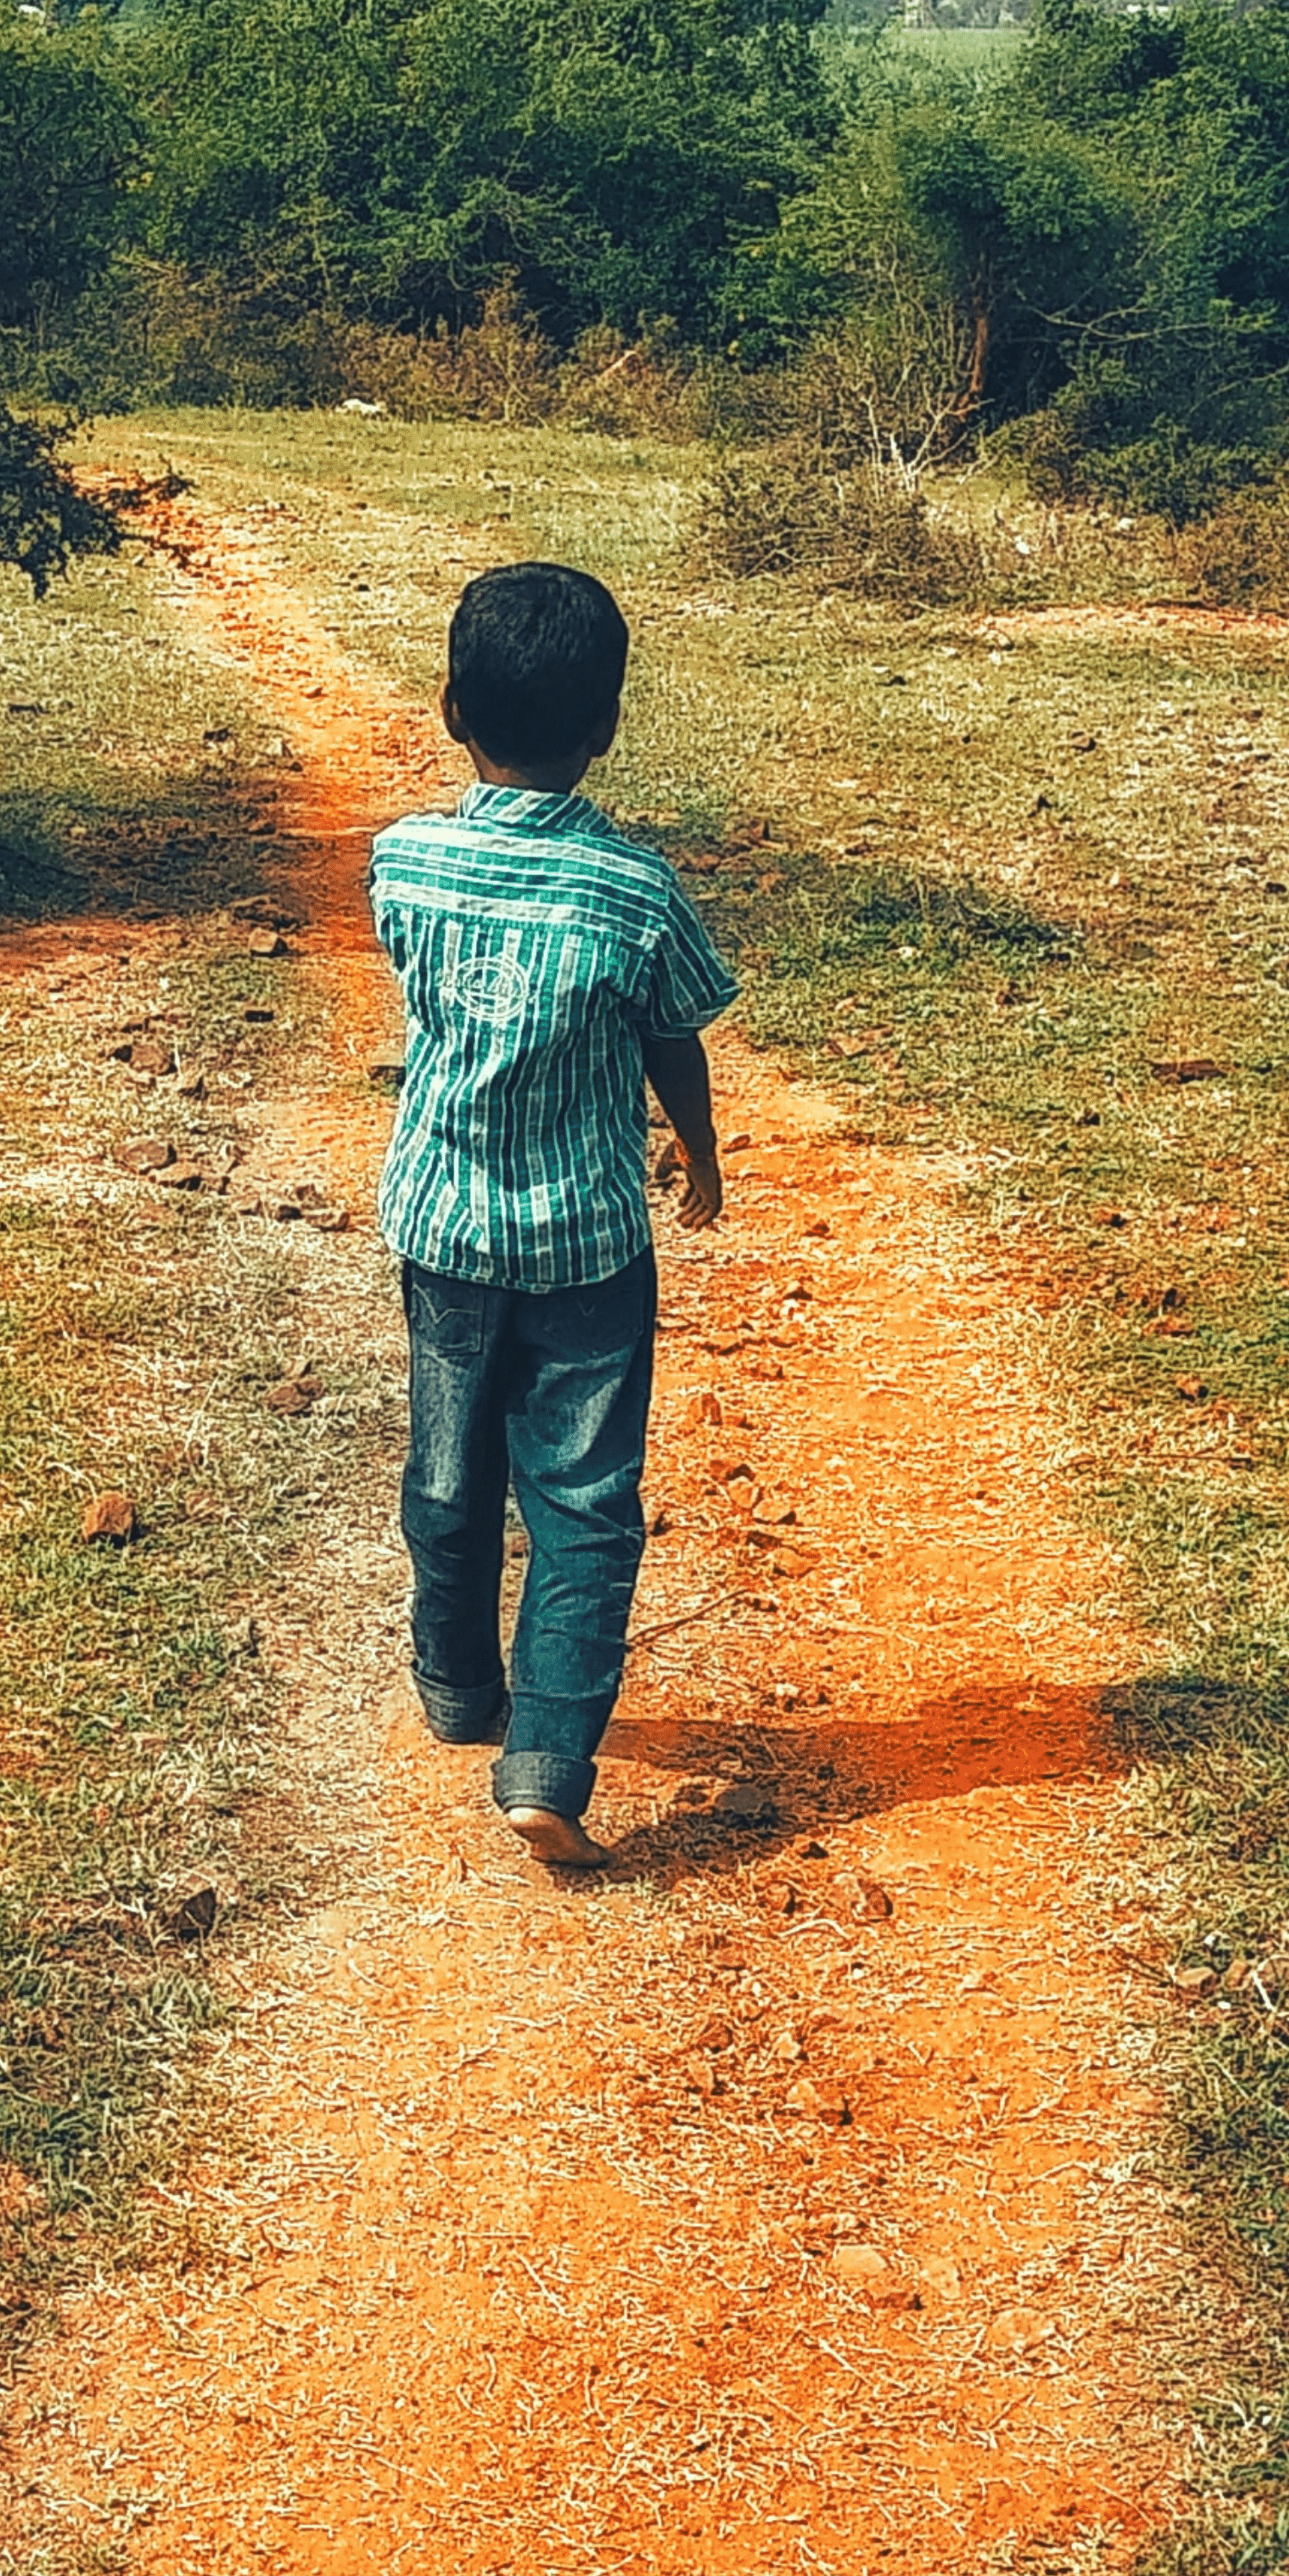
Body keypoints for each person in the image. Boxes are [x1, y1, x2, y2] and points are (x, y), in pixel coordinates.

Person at [367, 561, 733, 1870]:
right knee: (584, 1501)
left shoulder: (402, 861)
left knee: (448, 1469)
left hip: (446, 1231)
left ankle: (458, 1687)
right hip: (587, 1246)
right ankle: (545, 1764)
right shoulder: (637, 894)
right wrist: (697, 1155)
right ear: (610, 724)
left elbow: (425, 989)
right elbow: (673, 1037)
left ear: (451, 706)